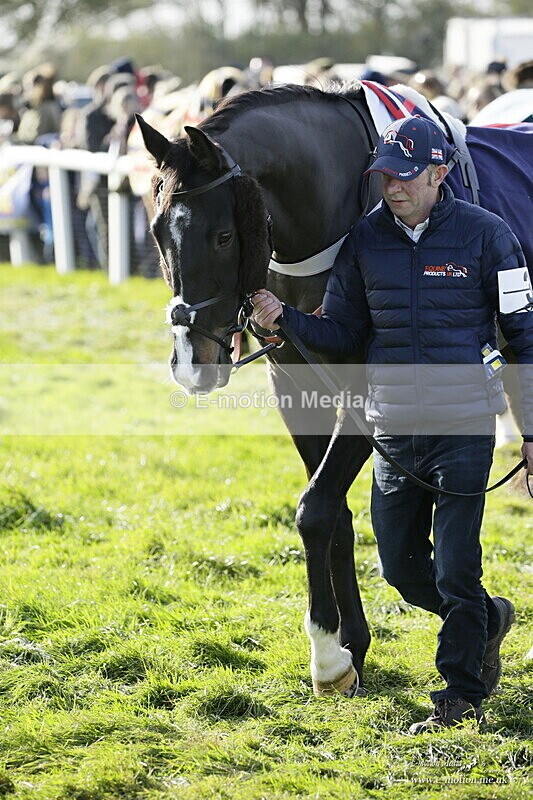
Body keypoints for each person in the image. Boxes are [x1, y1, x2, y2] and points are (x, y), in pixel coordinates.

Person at [252, 116, 533, 733]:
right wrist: (285, 322)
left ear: (440, 172)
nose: (392, 187)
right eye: (384, 176)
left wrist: (530, 430)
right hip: (392, 433)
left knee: (457, 565)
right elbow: (344, 335)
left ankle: (460, 692)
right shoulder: (363, 241)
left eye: (405, 177)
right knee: (404, 571)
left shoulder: (491, 237)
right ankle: (488, 620)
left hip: (463, 429)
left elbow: (523, 336)